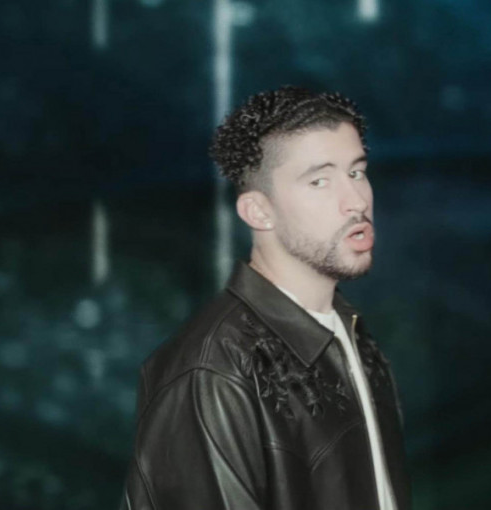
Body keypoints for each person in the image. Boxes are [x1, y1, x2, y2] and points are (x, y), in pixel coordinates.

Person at [118, 86, 410, 510]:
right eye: (319, 181)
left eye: (356, 172)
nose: (356, 202)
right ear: (258, 211)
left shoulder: (350, 333)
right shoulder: (212, 372)